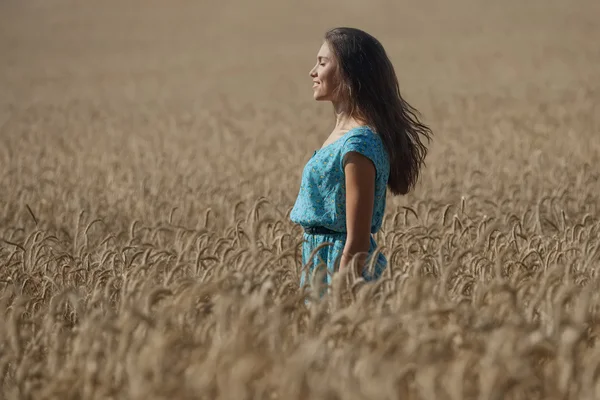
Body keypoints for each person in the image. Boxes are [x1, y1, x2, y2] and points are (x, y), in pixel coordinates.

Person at [290, 27, 432, 292]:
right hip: (320, 261)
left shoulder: (358, 144)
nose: (313, 71)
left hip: (341, 268)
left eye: (322, 63)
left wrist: (341, 293)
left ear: (348, 73)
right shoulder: (343, 136)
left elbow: (356, 242)